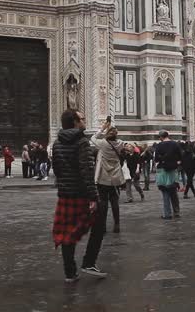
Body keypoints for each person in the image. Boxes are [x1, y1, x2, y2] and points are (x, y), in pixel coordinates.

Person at [52, 109, 107, 282]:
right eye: (82, 118)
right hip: (81, 194)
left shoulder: (56, 143)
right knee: (99, 224)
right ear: (75, 122)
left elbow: (57, 169)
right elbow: (86, 171)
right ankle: (89, 262)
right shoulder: (82, 142)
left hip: (65, 194)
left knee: (67, 232)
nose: (84, 121)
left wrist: (63, 186)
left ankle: (70, 273)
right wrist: (93, 197)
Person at [91, 122, 125, 233]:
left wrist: (102, 129)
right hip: (115, 177)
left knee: (103, 202)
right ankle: (117, 225)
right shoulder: (120, 143)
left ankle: (103, 226)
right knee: (115, 202)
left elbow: (92, 137)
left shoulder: (102, 144)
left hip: (103, 177)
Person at [154, 130, 182, 219]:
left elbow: (156, 159)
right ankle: (176, 212)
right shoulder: (175, 144)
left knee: (165, 191)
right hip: (173, 169)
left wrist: (162, 159)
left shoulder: (159, 145)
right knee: (173, 191)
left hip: (162, 170)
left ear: (161, 137)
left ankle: (167, 214)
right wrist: (176, 162)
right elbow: (181, 156)